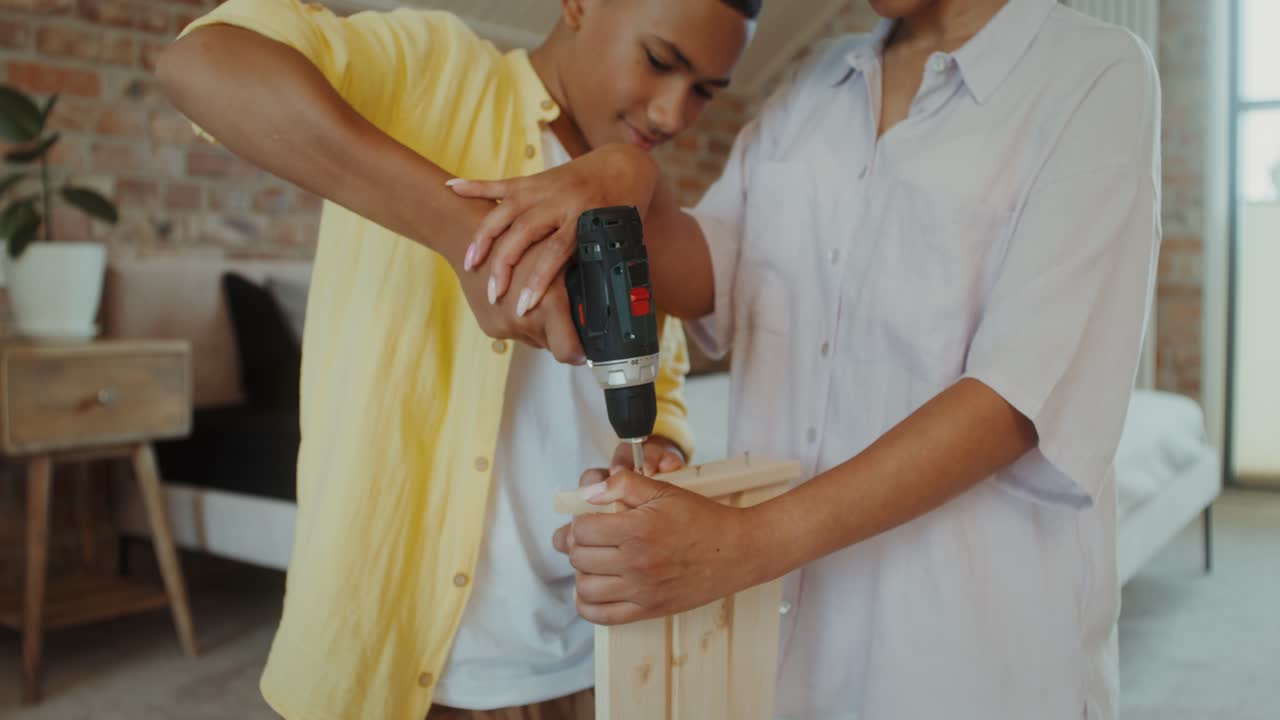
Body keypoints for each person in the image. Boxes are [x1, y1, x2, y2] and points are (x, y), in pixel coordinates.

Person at [447, 0, 1161, 717]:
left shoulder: (1092, 75)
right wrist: (635, 186)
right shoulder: (816, 83)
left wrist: (741, 546)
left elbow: (1015, 398)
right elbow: (715, 274)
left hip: (965, 661)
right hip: (788, 661)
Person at [155, 1, 759, 718]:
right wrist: (469, 238)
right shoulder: (432, 69)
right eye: (661, 62)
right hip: (401, 669)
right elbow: (202, 64)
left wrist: (656, 443)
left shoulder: (636, 195)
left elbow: (663, 367)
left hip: (587, 656)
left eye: (703, 92)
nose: (671, 115)